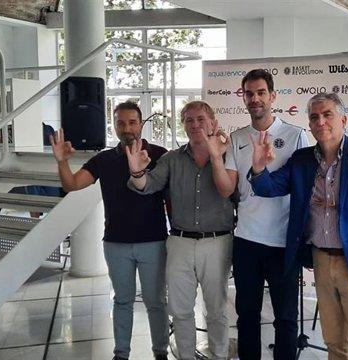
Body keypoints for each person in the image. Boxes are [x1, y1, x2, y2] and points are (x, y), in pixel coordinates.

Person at [248, 92, 348, 360]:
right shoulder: (302, 160)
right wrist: (257, 168)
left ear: (343, 120)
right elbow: (269, 187)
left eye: (327, 115)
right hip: (321, 261)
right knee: (335, 344)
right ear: (309, 125)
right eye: (314, 117)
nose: (320, 121)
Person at [50, 101, 169, 360]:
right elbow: (71, 184)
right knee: (122, 301)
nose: (126, 128)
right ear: (114, 125)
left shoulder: (160, 155)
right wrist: (61, 162)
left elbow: (173, 197)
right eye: (120, 123)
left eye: (132, 122)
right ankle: (121, 354)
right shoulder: (104, 159)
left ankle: (160, 352)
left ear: (141, 123)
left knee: (156, 302)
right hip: (116, 244)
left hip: (154, 242)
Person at [206, 69, 307, 359]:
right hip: (247, 240)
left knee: (286, 318)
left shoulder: (295, 135)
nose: (255, 98)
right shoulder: (237, 138)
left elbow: (302, 189)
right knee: (247, 316)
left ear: (272, 96)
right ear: (244, 98)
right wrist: (215, 155)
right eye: (249, 93)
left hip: (282, 243)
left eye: (261, 92)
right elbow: (226, 189)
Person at [127, 100, 235, 360]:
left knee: (217, 308)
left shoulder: (229, 155)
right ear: (183, 125)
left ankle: (219, 354)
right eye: (189, 120)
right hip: (180, 242)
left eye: (200, 119)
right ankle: (186, 355)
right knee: (180, 309)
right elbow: (148, 185)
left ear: (212, 122)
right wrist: (137, 172)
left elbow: (228, 191)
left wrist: (216, 156)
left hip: (217, 242)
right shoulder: (172, 159)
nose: (195, 124)